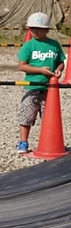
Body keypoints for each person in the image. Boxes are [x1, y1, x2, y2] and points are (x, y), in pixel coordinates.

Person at [16, 12, 65, 154]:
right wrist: (40, 70)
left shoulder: (54, 45)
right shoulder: (28, 46)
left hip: (50, 89)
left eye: (39, 28)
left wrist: (58, 70)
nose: (35, 31)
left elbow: (61, 62)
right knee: (26, 116)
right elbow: (22, 65)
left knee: (49, 117)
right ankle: (23, 142)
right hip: (32, 87)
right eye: (32, 28)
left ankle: (48, 143)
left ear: (47, 29)